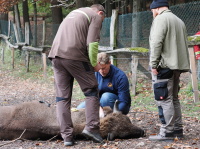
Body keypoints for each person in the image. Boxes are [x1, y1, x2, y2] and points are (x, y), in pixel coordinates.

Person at [48, 4, 106, 146]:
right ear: (100, 12)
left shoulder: (74, 13)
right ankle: (92, 128)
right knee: (91, 89)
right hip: (74, 56)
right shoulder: (95, 16)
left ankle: (67, 136)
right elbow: (92, 44)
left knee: (62, 97)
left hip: (55, 56)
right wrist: (94, 64)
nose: (102, 21)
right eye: (103, 18)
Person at [149, 0, 190, 141]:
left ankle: (167, 132)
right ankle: (178, 129)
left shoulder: (161, 19)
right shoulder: (179, 21)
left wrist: (153, 64)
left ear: (157, 8)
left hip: (164, 66)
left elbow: (156, 42)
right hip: (177, 66)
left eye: (152, 11)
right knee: (174, 99)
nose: (152, 14)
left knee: (164, 99)